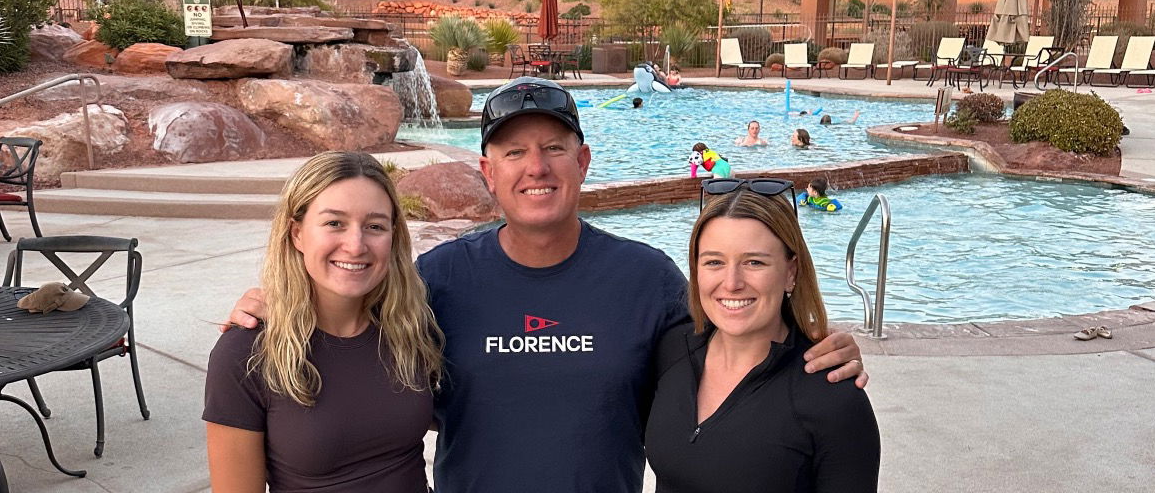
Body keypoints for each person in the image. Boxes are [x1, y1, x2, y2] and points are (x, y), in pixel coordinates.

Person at [224, 77, 868, 493]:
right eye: (513, 152)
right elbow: (351, 323)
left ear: (583, 161)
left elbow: (729, 353)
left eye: (554, 148)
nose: (536, 167)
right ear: (487, 172)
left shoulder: (647, 278)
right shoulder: (437, 280)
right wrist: (278, 303)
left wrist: (813, 348)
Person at [204, 152, 444, 492]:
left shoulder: (410, 327)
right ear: (297, 234)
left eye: (374, 226)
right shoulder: (246, 353)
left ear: (393, 237)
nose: (356, 245)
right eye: (335, 223)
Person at [646, 181, 880, 492]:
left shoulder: (832, 398)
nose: (731, 283)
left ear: (791, 272)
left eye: (754, 262)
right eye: (714, 262)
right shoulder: (671, 351)